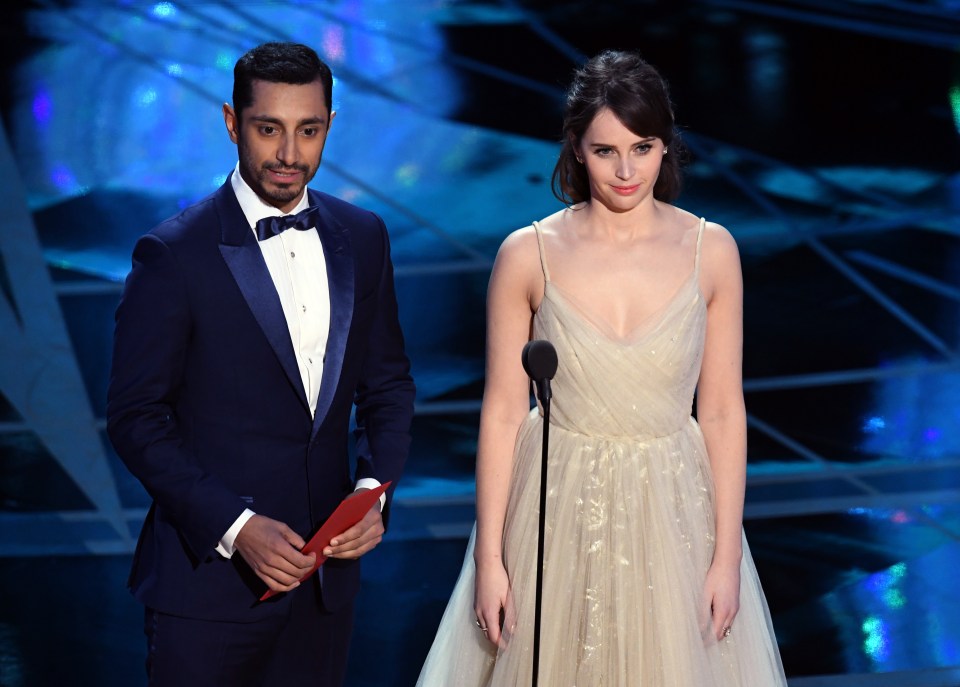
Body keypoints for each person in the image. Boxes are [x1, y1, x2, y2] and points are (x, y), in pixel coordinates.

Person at [417, 50, 787, 685]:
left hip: (673, 513)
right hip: (555, 511)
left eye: (642, 148)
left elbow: (722, 409)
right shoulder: (526, 256)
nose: (625, 170)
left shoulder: (712, 251)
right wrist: (490, 561)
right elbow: (505, 411)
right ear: (575, 148)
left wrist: (726, 558)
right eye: (605, 150)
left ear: (666, 148)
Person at [106, 41, 415, 687]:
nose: (289, 154)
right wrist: (236, 525)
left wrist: (370, 496)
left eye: (309, 130)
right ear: (231, 122)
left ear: (330, 124)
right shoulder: (173, 253)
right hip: (207, 591)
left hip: (323, 586)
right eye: (268, 128)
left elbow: (387, 385)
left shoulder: (364, 237)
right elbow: (136, 417)